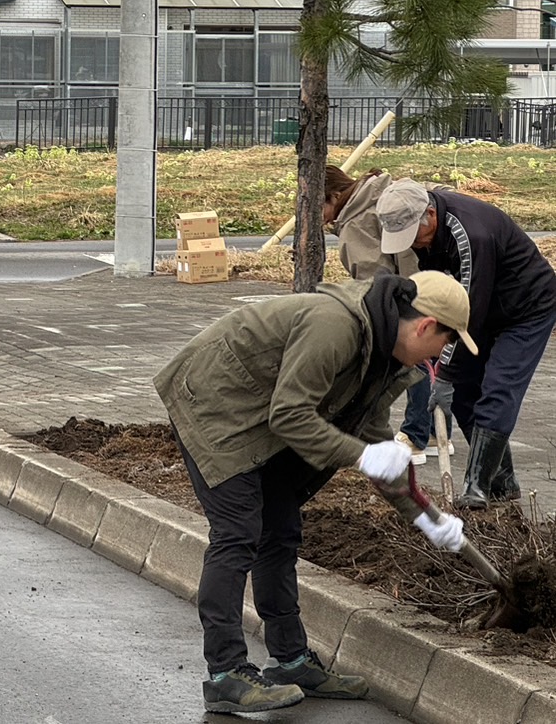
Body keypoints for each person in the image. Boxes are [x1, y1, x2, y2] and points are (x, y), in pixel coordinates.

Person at [156, 270, 476, 714]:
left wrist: (427, 517)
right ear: (424, 326)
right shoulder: (336, 325)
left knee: (281, 530)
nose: (442, 353)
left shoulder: (384, 355)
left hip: (262, 415)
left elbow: (377, 439)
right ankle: (226, 674)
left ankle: (289, 660)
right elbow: (291, 416)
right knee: (238, 532)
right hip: (215, 404)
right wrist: (363, 457)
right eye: (445, 342)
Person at [376, 179, 556, 508]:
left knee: (498, 386)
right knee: (462, 393)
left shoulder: (471, 234)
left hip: (526, 308)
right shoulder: (426, 232)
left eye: (415, 236)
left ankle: (477, 487)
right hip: (482, 307)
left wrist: (444, 373)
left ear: (430, 214)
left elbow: (466, 308)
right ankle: (502, 483)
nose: (414, 245)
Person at [323, 166, 437, 465]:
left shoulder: (355, 222)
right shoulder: (379, 192)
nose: (316, 213)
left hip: (407, 293)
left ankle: (415, 437)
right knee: (433, 357)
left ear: (335, 196)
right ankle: (434, 430)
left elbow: (372, 278)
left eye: (319, 204)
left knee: (412, 359)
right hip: (431, 280)